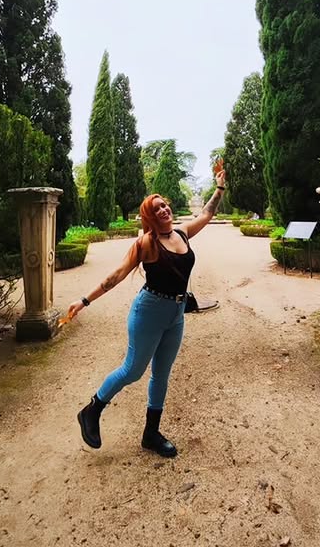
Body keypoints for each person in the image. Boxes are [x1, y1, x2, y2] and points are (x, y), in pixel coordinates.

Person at [66, 166, 227, 458]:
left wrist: (219, 188)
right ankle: (92, 410)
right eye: (157, 209)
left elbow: (205, 215)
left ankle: (151, 434)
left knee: (161, 375)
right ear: (149, 216)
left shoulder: (182, 233)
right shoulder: (146, 244)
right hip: (149, 312)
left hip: (176, 314)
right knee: (133, 370)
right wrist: (83, 301)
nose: (164, 209)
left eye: (164, 204)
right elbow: (115, 276)